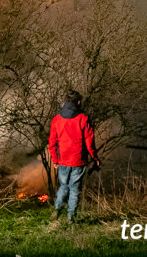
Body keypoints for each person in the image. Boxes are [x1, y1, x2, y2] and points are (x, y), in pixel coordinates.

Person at [48, 89, 100, 223]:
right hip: (78, 161)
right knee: (74, 189)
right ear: (78, 102)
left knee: (63, 186)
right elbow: (89, 142)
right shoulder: (83, 119)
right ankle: (71, 217)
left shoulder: (56, 120)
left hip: (63, 160)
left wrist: (55, 159)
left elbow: (52, 142)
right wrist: (95, 157)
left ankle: (57, 209)